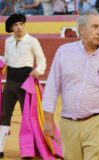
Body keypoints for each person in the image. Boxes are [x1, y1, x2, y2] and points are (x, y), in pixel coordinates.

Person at [42, 9, 99, 160]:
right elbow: (52, 87)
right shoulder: (64, 52)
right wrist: (48, 119)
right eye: (95, 27)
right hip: (69, 123)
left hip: (98, 122)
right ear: (81, 30)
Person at [0, 13, 46, 158]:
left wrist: (38, 70)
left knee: (28, 117)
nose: (19, 27)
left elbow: (42, 59)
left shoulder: (32, 41)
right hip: (10, 82)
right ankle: (0, 147)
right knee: (4, 114)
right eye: (16, 25)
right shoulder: (8, 42)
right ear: (12, 28)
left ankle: (29, 150)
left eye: (21, 24)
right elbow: (6, 59)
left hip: (26, 83)